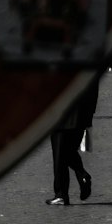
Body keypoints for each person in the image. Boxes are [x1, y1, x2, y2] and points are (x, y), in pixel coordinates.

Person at [46, 74, 97, 205]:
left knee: (60, 155)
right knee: (68, 151)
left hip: (62, 114)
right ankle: (82, 176)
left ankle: (62, 193)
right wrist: (89, 115)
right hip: (81, 115)